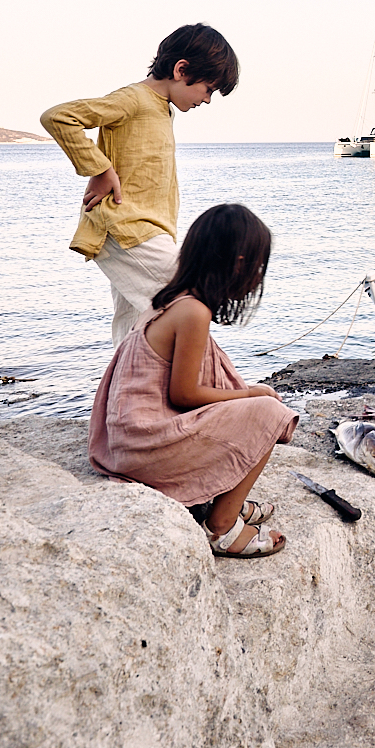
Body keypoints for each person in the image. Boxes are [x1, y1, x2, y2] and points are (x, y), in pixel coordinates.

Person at [88, 203, 296, 558]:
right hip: (144, 449)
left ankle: (221, 494)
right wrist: (250, 394)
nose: (257, 277)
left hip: (128, 443)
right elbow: (183, 394)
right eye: (257, 266)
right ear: (238, 263)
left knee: (253, 405)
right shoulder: (193, 312)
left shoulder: (168, 301)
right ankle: (222, 526)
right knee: (271, 413)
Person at [40, 24, 240, 345]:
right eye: (208, 88)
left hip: (148, 230)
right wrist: (100, 169)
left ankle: (126, 390)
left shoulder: (163, 110)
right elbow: (59, 116)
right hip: (126, 228)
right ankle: (204, 387)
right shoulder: (133, 100)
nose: (208, 99)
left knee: (135, 331)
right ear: (181, 69)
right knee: (190, 298)